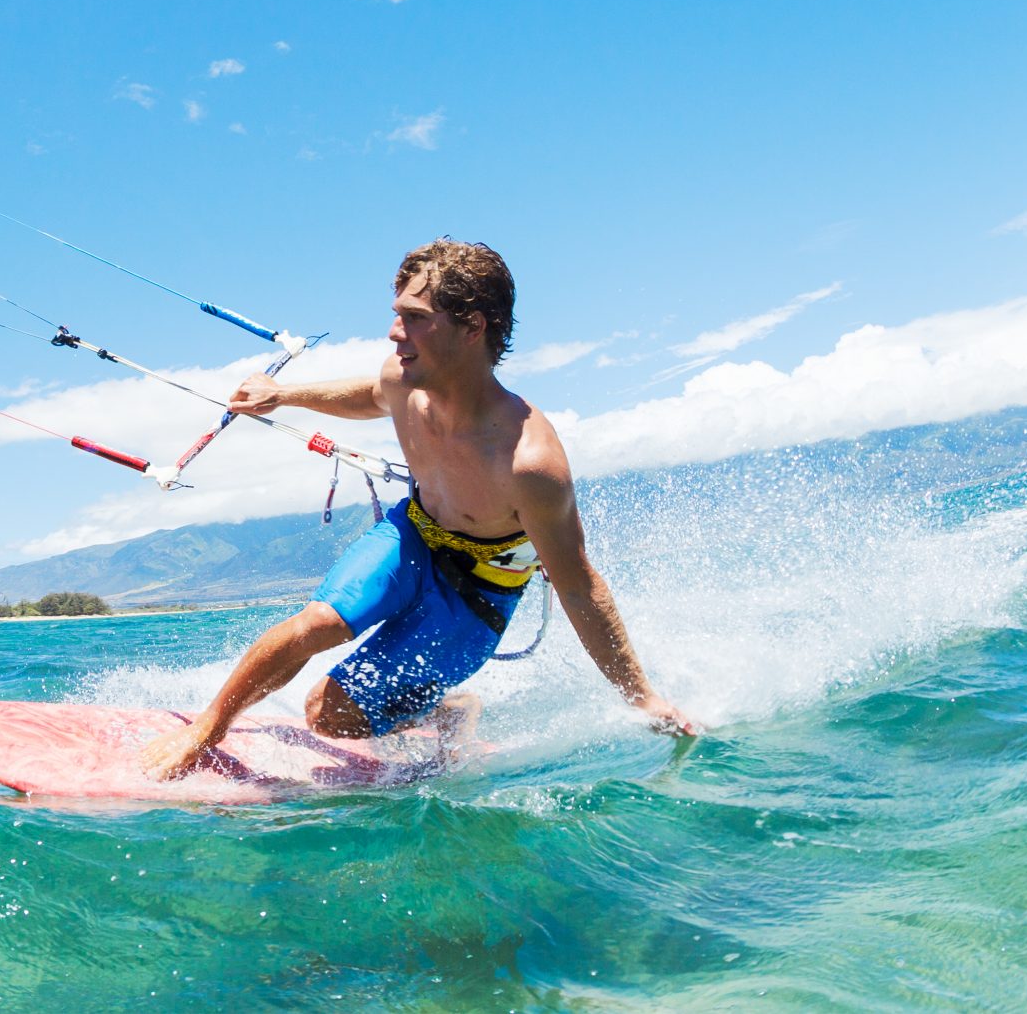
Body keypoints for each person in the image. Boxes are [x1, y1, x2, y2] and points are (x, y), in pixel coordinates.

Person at [141, 239, 697, 780]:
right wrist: (284, 395)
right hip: (413, 536)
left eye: (416, 317)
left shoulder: (528, 462)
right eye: (397, 314)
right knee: (316, 623)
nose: (393, 331)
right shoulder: (402, 380)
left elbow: (577, 585)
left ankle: (452, 709)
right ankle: (204, 731)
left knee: (326, 716)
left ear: (474, 326)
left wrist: (642, 697)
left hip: (475, 593)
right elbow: (370, 395)